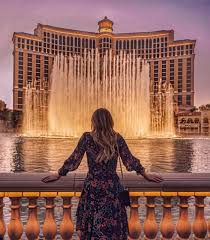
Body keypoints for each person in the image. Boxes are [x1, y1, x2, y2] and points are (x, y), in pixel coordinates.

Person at [42, 108, 163, 240]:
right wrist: (145, 173)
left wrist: (59, 174)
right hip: (112, 188)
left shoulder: (87, 138)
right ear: (110, 121)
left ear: (94, 121)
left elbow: (74, 159)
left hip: (93, 188)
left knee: (92, 225)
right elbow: (129, 160)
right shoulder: (117, 139)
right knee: (112, 226)